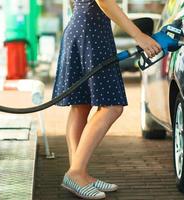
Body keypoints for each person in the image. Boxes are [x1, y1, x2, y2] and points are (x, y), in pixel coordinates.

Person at [51, 0, 161, 199]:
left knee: (81, 106)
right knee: (112, 107)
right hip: (91, 34)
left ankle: (79, 173)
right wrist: (139, 36)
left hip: (82, 28)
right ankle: (75, 173)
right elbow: (105, 2)